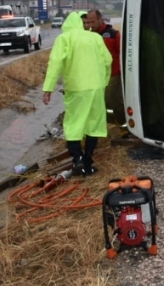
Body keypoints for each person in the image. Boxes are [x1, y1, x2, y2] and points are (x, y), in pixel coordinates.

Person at [42, 12, 112, 176]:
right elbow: (108, 61)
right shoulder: (95, 38)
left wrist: (48, 88)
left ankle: (78, 159)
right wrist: (104, 82)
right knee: (93, 124)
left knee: (74, 123)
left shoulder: (65, 38)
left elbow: (55, 63)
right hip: (96, 87)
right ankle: (88, 162)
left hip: (77, 87)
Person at [86, 9, 124, 124]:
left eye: (93, 22)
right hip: (96, 76)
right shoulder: (89, 36)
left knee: (112, 100)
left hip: (113, 74)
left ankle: (123, 127)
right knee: (99, 102)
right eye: (89, 22)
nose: (91, 25)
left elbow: (122, 53)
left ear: (100, 19)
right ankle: (108, 124)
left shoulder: (113, 34)